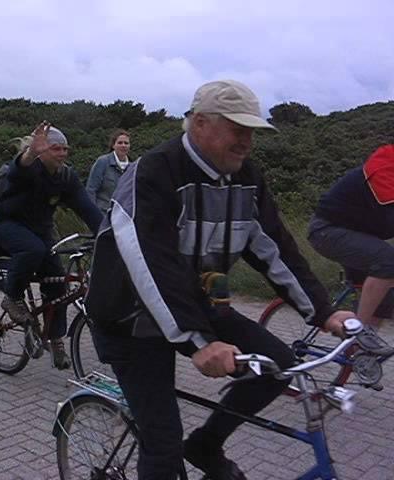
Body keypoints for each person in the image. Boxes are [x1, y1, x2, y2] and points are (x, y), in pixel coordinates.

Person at [85, 80, 354, 480]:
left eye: (252, 132)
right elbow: (150, 263)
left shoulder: (246, 177)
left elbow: (274, 247)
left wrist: (323, 311)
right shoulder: (156, 171)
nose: (247, 141)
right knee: (162, 445)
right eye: (237, 129)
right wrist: (199, 341)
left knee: (278, 366)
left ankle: (206, 444)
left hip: (198, 300)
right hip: (130, 317)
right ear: (199, 124)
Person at [0, 122, 103, 370]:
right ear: (42, 151)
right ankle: (12, 298)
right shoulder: (31, 168)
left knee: (58, 283)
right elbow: (18, 172)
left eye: (65, 149)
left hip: (40, 228)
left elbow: (87, 208)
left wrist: (108, 234)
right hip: (7, 222)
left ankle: (56, 339)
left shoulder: (66, 176)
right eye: (56, 148)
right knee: (33, 250)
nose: (62, 153)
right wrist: (30, 154)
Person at [308, 144, 394, 341]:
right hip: (327, 230)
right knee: (389, 263)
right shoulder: (385, 169)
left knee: (386, 295)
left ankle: (362, 355)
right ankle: (358, 336)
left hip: (358, 236)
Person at [86, 129, 131, 211]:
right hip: (102, 214)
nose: (123, 145)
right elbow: (91, 190)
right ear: (113, 145)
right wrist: (93, 213)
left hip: (121, 217)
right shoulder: (103, 162)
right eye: (120, 143)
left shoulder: (131, 168)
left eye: (126, 143)